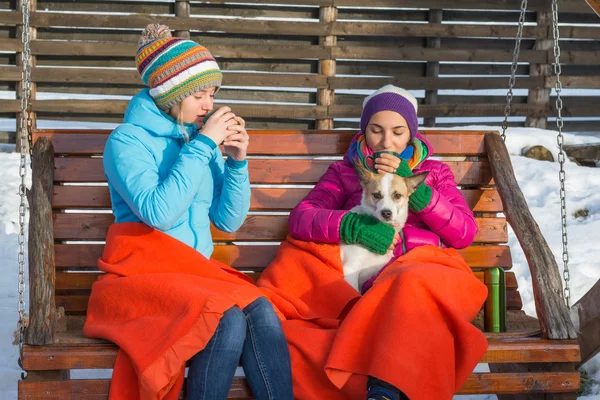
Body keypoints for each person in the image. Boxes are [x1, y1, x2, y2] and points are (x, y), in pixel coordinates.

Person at [84, 24, 293, 400]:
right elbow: (158, 212)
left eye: (212, 93)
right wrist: (204, 146)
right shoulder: (127, 141)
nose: (208, 105)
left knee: (259, 309)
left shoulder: (197, 140)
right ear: (170, 94)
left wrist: (236, 164)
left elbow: (227, 221)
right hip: (142, 275)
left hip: (194, 273)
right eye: (198, 94)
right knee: (224, 317)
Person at [277, 85, 487, 399]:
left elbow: (464, 233)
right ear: (364, 132)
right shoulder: (346, 173)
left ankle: (386, 389)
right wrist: (349, 224)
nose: (386, 142)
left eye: (398, 132)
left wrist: (418, 193)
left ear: (412, 135)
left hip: (423, 273)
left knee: (412, 285)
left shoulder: (433, 173)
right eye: (376, 130)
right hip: (369, 279)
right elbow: (302, 218)